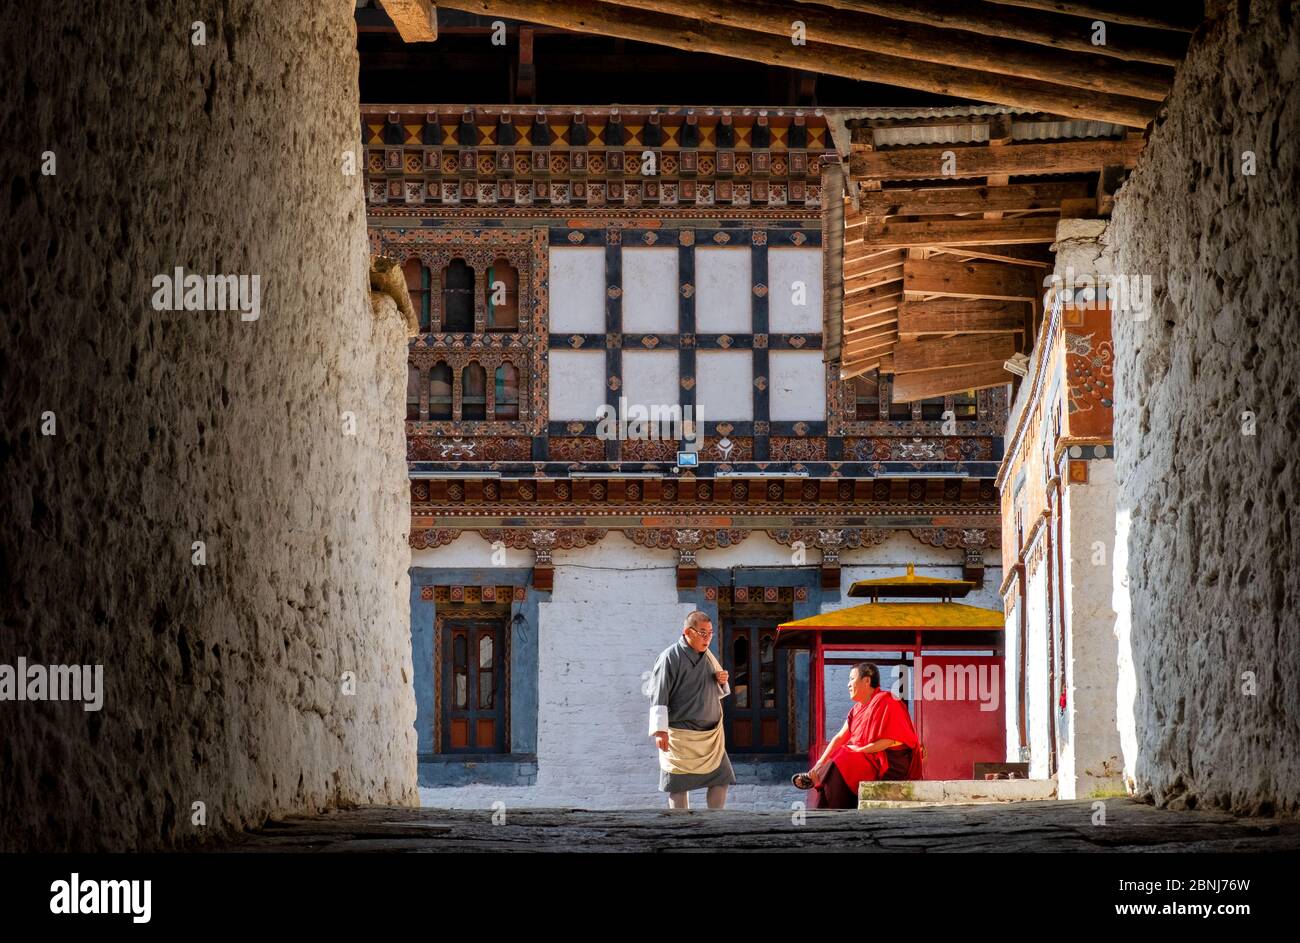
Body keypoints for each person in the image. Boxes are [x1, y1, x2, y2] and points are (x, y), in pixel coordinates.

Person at [792, 661, 923, 808]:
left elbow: (892, 741)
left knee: (843, 758)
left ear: (866, 680)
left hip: (888, 762)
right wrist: (819, 764)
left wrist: (860, 750)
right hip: (866, 757)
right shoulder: (856, 709)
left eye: (851, 679)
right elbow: (840, 738)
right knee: (840, 756)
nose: (848, 684)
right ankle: (819, 778)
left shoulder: (888, 701)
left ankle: (827, 798)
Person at [648, 610, 737, 809]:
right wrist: (660, 730)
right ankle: (681, 828)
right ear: (688, 632)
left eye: (710, 633)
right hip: (681, 736)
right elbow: (659, 693)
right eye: (703, 633)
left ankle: (714, 825)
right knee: (678, 785)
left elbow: (717, 691)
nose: (708, 638)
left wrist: (721, 681)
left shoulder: (708, 658)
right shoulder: (670, 657)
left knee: (721, 779)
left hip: (710, 738)